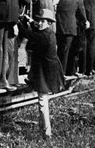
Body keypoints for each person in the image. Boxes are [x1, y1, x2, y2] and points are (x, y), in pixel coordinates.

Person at [18, 9, 64, 139]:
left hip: (47, 71)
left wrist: (18, 22)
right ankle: (45, 130)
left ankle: (47, 132)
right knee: (43, 100)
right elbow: (37, 27)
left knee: (43, 101)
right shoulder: (48, 32)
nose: (40, 23)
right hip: (48, 68)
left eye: (43, 21)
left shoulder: (44, 36)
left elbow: (28, 34)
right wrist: (30, 20)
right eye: (40, 20)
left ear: (49, 23)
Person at [4, 0, 31, 86]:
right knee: (12, 50)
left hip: (4, 17)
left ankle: (8, 79)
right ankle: (11, 80)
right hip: (15, 18)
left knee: (7, 50)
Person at [55, 0, 86, 74]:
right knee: (67, 52)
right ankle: (66, 74)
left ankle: (60, 76)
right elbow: (81, 10)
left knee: (60, 52)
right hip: (72, 28)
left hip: (59, 26)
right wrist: (85, 21)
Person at [67, 0, 89, 76]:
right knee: (78, 46)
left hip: (66, 19)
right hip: (76, 20)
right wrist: (85, 20)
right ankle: (78, 70)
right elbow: (80, 5)